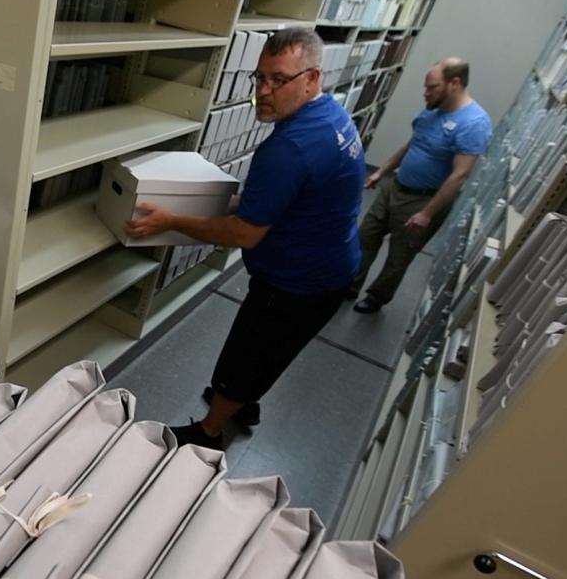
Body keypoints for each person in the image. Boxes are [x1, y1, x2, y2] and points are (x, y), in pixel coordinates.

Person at [126, 28, 364, 449]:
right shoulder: (333, 116)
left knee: (246, 354)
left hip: (295, 282)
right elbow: (295, 195)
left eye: (279, 79)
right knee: (274, 352)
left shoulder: (289, 148)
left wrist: (170, 220)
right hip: (333, 269)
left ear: (312, 79)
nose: (264, 92)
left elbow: (245, 235)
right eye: (259, 78)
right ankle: (243, 401)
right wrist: (236, 199)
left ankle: (209, 431)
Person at [351, 57, 492, 313]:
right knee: (365, 236)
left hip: (423, 200)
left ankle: (377, 297)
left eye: (432, 87)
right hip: (396, 187)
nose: (425, 93)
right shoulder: (432, 108)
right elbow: (413, 144)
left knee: (399, 256)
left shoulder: (474, 124)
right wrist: (382, 171)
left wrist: (427, 213)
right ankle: (350, 284)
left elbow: (460, 175)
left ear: (455, 83)